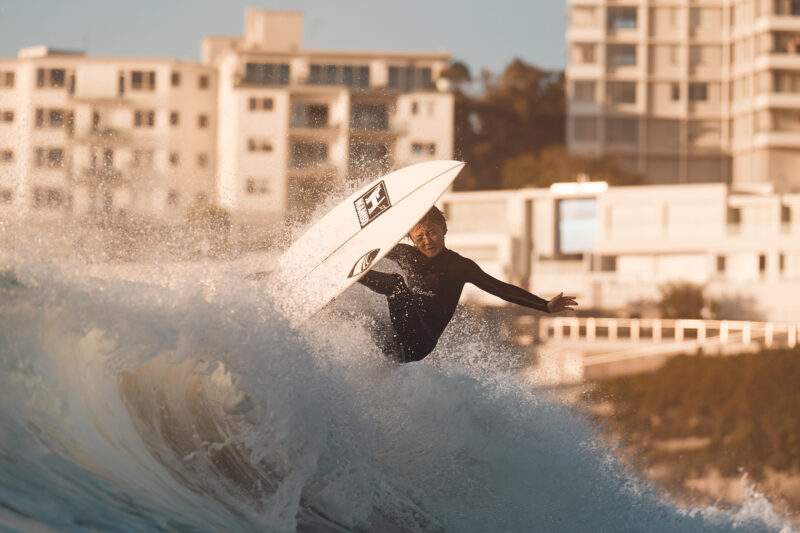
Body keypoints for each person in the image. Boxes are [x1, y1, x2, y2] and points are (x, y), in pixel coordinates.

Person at [358, 206, 577, 363]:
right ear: (411, 239)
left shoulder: (459, 266)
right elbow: (374, 246)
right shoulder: (406, 254)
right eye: (420, 236)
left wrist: (545, 306)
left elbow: (500, 289)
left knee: (396, 285)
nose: (427, 240)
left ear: (444, 229)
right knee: (361, 316)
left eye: (432, 232)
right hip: (394, 342)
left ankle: (354, 275)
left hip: (417, 346)